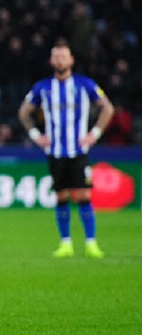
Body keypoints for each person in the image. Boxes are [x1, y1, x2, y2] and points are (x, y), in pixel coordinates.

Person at [17, 43, 114, 259]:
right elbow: (24, 113)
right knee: (61, 195)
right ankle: (66, 243)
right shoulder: (43, 87)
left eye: (63, 56)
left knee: (83, 194)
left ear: (71, 60)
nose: (60, 60)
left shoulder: (84, 84)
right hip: (55, 151)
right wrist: (36, 136)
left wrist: (95, 133)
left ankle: (91, 243)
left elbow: (107, 107)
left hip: (78, 149)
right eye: (56, 56)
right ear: (52, 62)